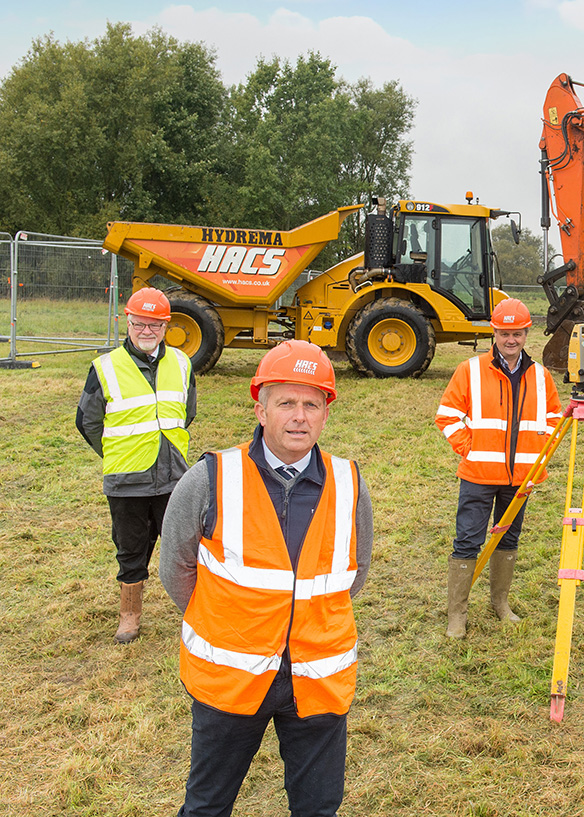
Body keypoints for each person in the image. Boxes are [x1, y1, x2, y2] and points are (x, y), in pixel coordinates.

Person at [159, 340, 373, 816]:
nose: (300, 417)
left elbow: (354, 574)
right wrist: (228, 625)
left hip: (317, 680)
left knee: (318, 807)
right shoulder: (210, 478)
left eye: (312, 404)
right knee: (207, 805)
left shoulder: (350, 482)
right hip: (230, 682)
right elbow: (175, 569)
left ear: (326, 413)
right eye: (287, 403)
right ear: (260, 409)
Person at [436, 297, 562, 639]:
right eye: (505, 333)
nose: (511, 340)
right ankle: (457, 614)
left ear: (526, 333)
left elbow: (554, 421)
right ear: (494, 332)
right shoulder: (470, 370)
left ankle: (500, 603)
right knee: (467, 541)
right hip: (478, 476)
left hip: (521, 478)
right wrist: (470, 448)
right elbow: (446, 415)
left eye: (517, 334)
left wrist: (539, 456)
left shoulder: (540, 375)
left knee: (508, 539)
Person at [76, 287, 196, 644]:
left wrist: (165, 449)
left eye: (154, 325)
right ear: (126, 322)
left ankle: (199, 613)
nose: (147, 331)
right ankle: (130, 616)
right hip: (127, 479)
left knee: (186, 547)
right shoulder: (105, 367)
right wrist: (118, 452)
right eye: (139, 323)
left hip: (174, 476)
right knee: (131, 547)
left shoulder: (182, 363)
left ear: (166, 326)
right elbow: (88, 422)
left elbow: (186, 413)